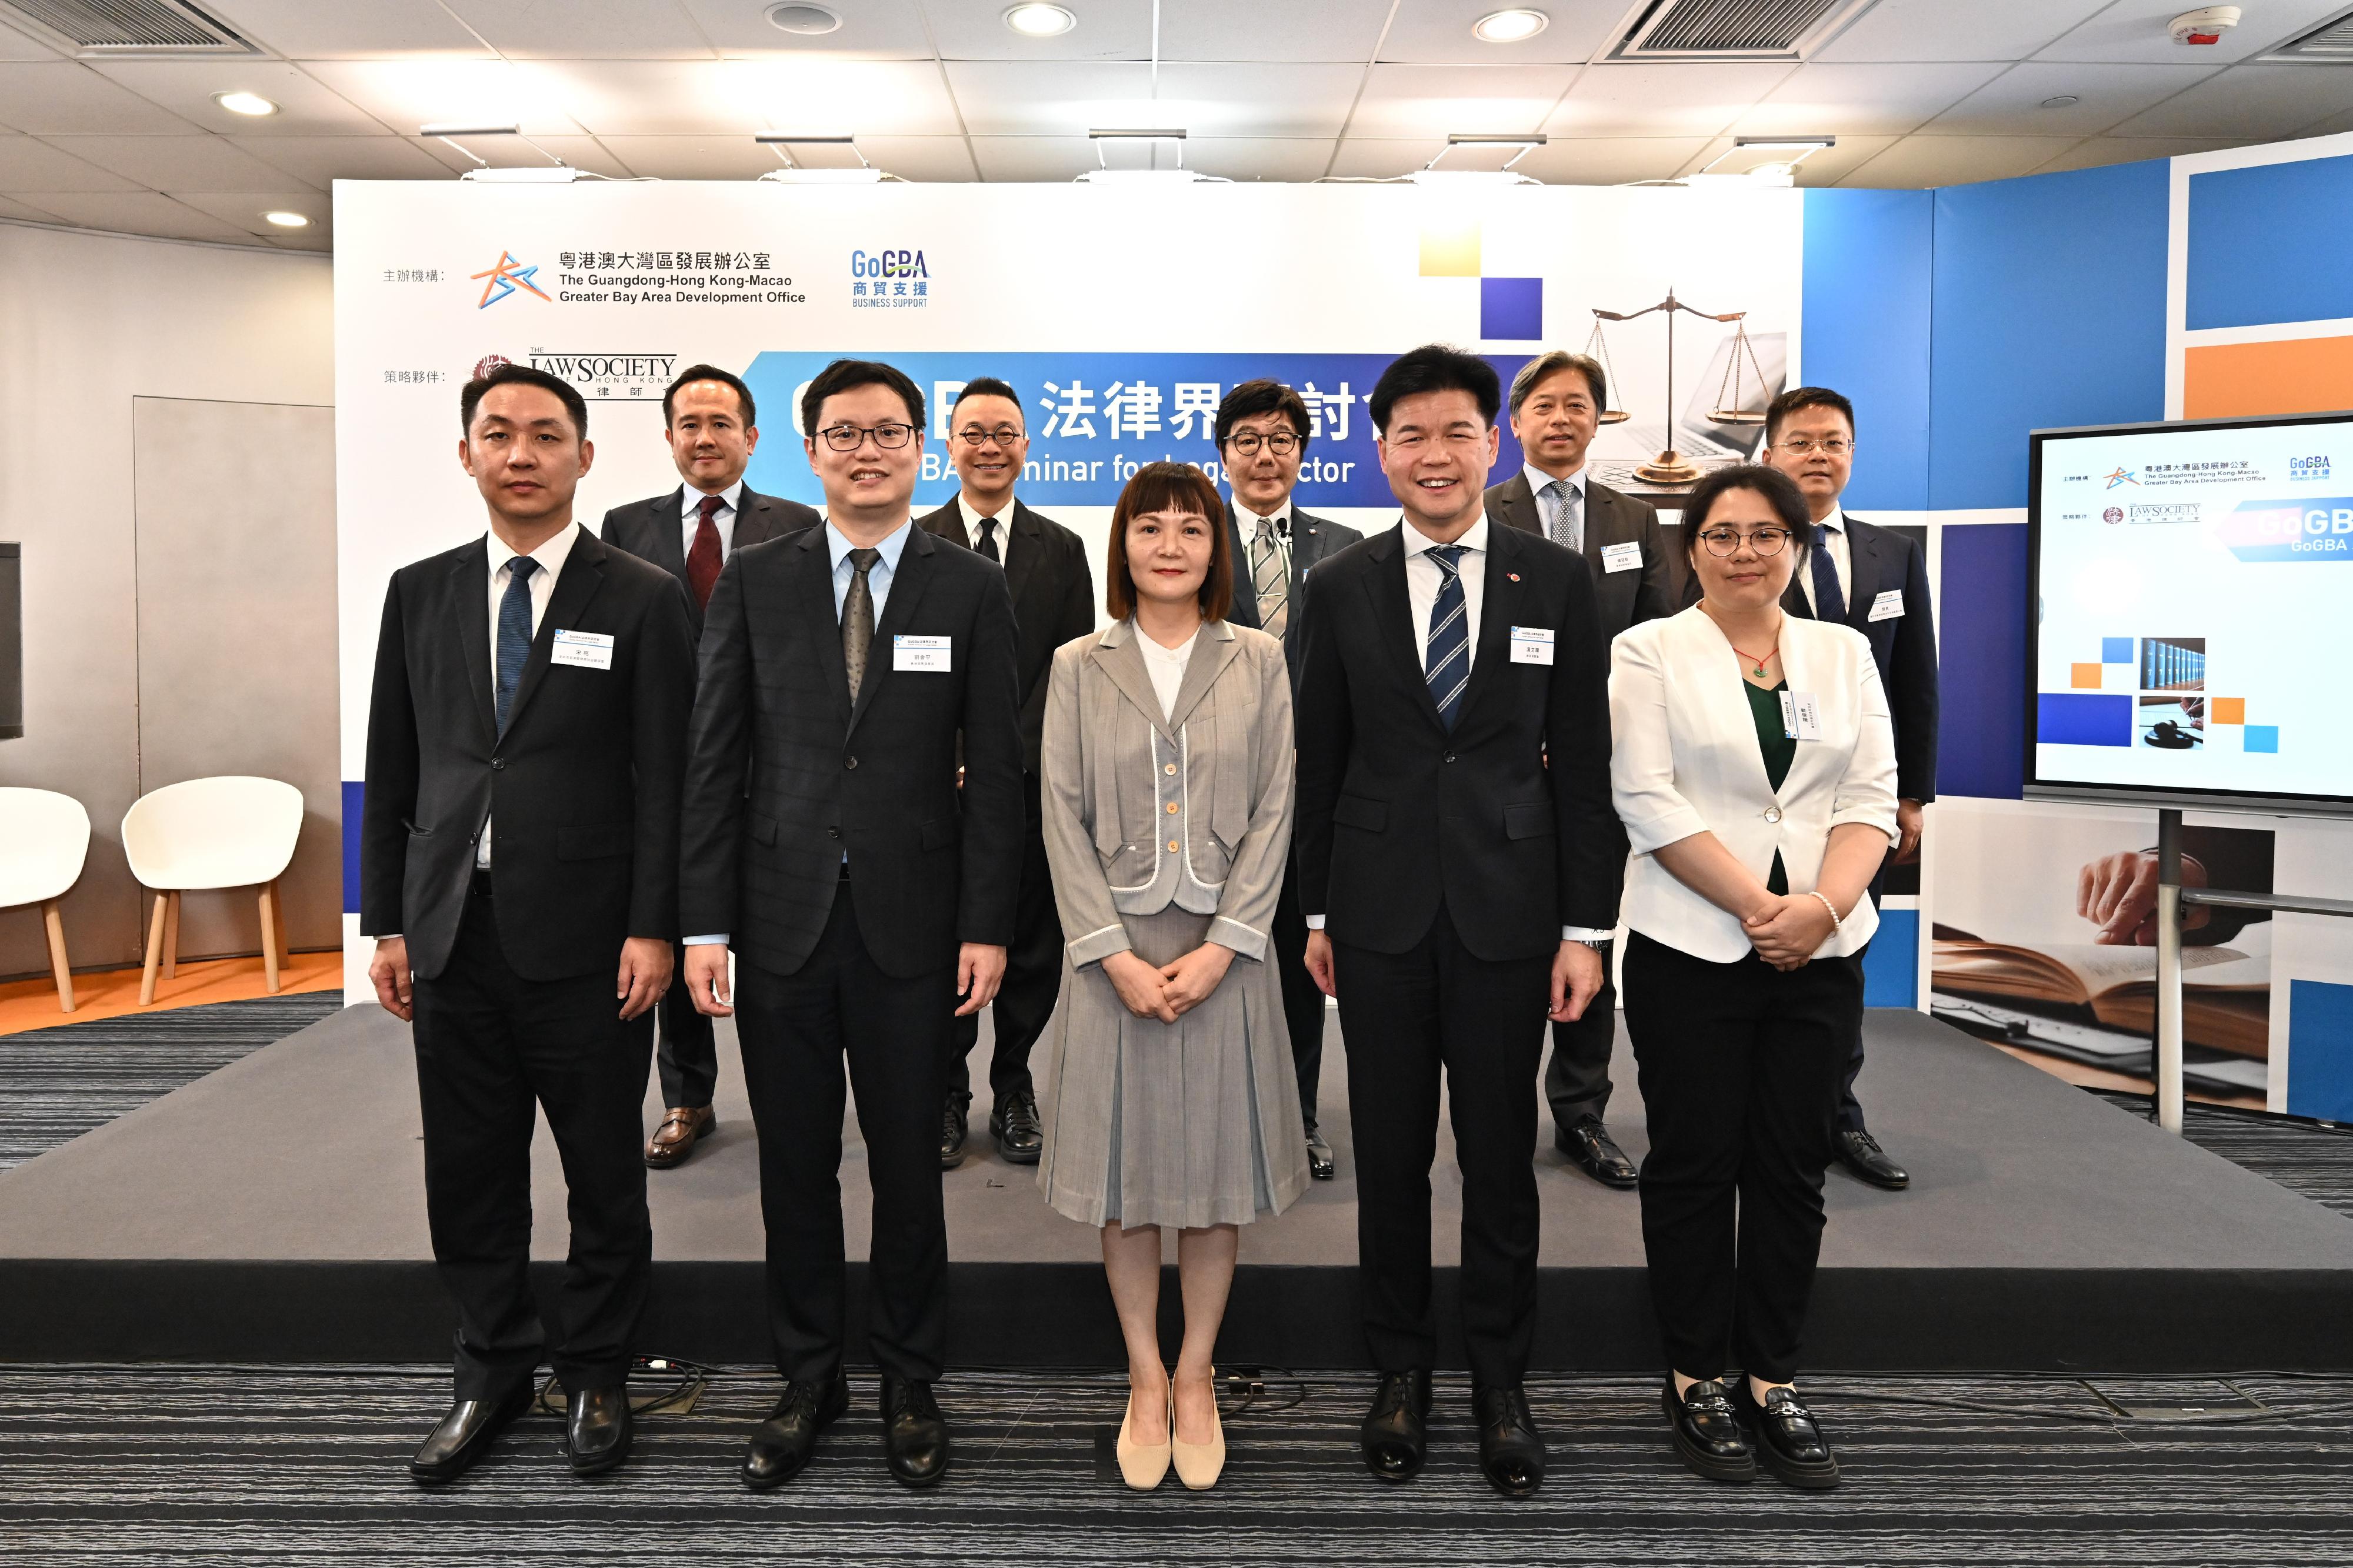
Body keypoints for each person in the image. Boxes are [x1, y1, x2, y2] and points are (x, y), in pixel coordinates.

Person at [676, 358, 1024, 1490]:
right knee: (794, 1163)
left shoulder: (967, 586)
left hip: (914, 927)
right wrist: (703, 925)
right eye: (843, 433)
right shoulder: (759, 578)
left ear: (920, 446)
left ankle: (909, 1377)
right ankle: (808, 1374)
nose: (866, 451)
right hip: (777, 923)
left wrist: (987, 923)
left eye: (887, 432)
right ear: (809, 449)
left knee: (912, 1170)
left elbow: (999, 774)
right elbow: (716, 755)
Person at [1294, 345, 1621, 1498]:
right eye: (1410, 436)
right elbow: (1318, 759)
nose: (1434, 455)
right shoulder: (1335, 586)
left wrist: (1587, 929)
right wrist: (1319, 908)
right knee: (1387, 1160)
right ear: (1379, 452)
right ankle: (1398, 1373)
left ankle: (1497, 1381)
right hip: (1376, 918)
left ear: (1495, 444)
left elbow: (1584, 769)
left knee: (1498, 1161)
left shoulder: (1557, 581)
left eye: (1455, 433)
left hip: (1509, 913)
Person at [359, 362, 695, 1484]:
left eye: (546, 435)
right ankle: (493, 1362)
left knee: (604, 1165)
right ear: (466, 455)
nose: (520, 453)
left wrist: (657, 924)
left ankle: (597, 1362)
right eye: (497, 434)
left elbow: (667, 776)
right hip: (455, 927)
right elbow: (395, 765)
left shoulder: (643, 594)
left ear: (586, 458)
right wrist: (390, 919)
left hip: (595, 939)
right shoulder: (421, 591)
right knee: (469, 1165)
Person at [1610, 463, 1896, 1491]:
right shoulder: (1647, 649)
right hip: (1693, 943)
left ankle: (1773, 1378)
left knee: (1792, 1163)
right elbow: (1646, 797)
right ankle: (1695, 1374)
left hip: (1822, 948)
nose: (1744, 550)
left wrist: (1819, 909)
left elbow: (1872, 793)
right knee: (1693, 1163)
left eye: (1766, 534)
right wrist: (1755, 906)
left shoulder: (1844, 651)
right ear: (1692, 549)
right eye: (1723, 533)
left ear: (1797, 545)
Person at [1034, 461, 1310, 1493]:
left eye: (1190, 528)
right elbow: (1058, 813)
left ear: (1215, 548)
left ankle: (1198, 1373)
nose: (1169, 544)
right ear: (1123, 547)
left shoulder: (1261, 658)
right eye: (1148, 527)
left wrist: (1227, 939)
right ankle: (1144, 1374)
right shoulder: (1076, 663)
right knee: (1127, 1174)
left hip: (1222, 949)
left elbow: (1281, 802)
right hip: (1111, 951)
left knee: (1212, 1173)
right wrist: (1108, 951)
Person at [599, 362, 819, 1171]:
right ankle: (686, 1095)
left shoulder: (797, 522)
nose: (704, 437)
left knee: (771, 934)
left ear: (751, 438)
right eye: (688, 423)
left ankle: (786, 1087)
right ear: (667, 438)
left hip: (771, 766)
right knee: (680, 922)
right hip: (660, 766)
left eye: (721, 423)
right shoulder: (624, 526)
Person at [1485, 351, 1681, 1193]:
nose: (1562, 420)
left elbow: (1662, 639)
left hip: (1600, 766)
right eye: (1545, 406)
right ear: (1515, 423)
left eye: (1579, 407)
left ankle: (1581, 1109)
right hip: (1502, 764)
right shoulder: (1480, 509)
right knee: (1502, 935)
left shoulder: (1635, 520)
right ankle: (1495, 1106)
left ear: (1598, 421)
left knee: (1589, 927)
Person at [1759, 386, 1935, 1193]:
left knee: (1842, 952)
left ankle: (1838, 1112)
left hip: (1862, 798)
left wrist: (1912, 794)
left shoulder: (1893, 552)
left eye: (1834, 442)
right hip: (1766, 790)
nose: (1819, 456)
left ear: (1853, 454)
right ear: (1769, 456)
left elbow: (1915, 679)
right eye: (1801, 442)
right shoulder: (1745, 547)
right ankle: (1760, 1109)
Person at [918, 377, 1095, 1170]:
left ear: (1029, 445)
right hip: (927, 786)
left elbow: (1071, 673)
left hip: (1026, 782)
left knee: (1030, 940)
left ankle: (1014, 1080)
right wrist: (947, 751)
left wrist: (998, 756)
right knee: (937, 937)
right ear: (946, 446)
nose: (990, 446)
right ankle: (946, 1087)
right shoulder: (911, 541)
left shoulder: (1061, 549)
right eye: (973, 432)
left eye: (1006, 433)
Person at [1217, 378, 1364, 1182]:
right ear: (1225, 454)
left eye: (1281, 439)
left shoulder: (1345, 544)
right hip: (1216, 793)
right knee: (1218, 961)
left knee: (1302, 962)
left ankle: (1298, 1114)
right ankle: (1220, 1114)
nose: (1265, 455)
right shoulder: (1194, 535)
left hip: (1319, 794)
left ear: (1303, 453)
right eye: (1248, 439)